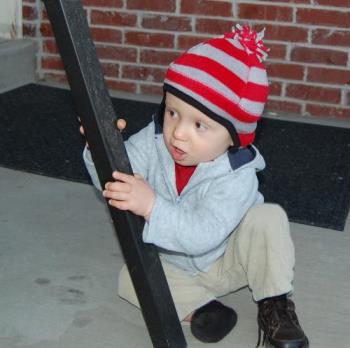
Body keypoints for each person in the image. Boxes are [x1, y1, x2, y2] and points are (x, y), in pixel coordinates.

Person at [81, 24, 309, 347]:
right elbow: (117, 180)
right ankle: (201, 309)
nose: (179, 133)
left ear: (233, 137)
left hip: (230, 257)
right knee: (130, 278)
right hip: (174, 263)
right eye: (173, 112)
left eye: (199, 124)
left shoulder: (238, 173)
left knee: (269, 218)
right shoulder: (156, 138)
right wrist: (101, 149)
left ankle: (275, 303)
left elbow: (203, 233)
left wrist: (151, 206)